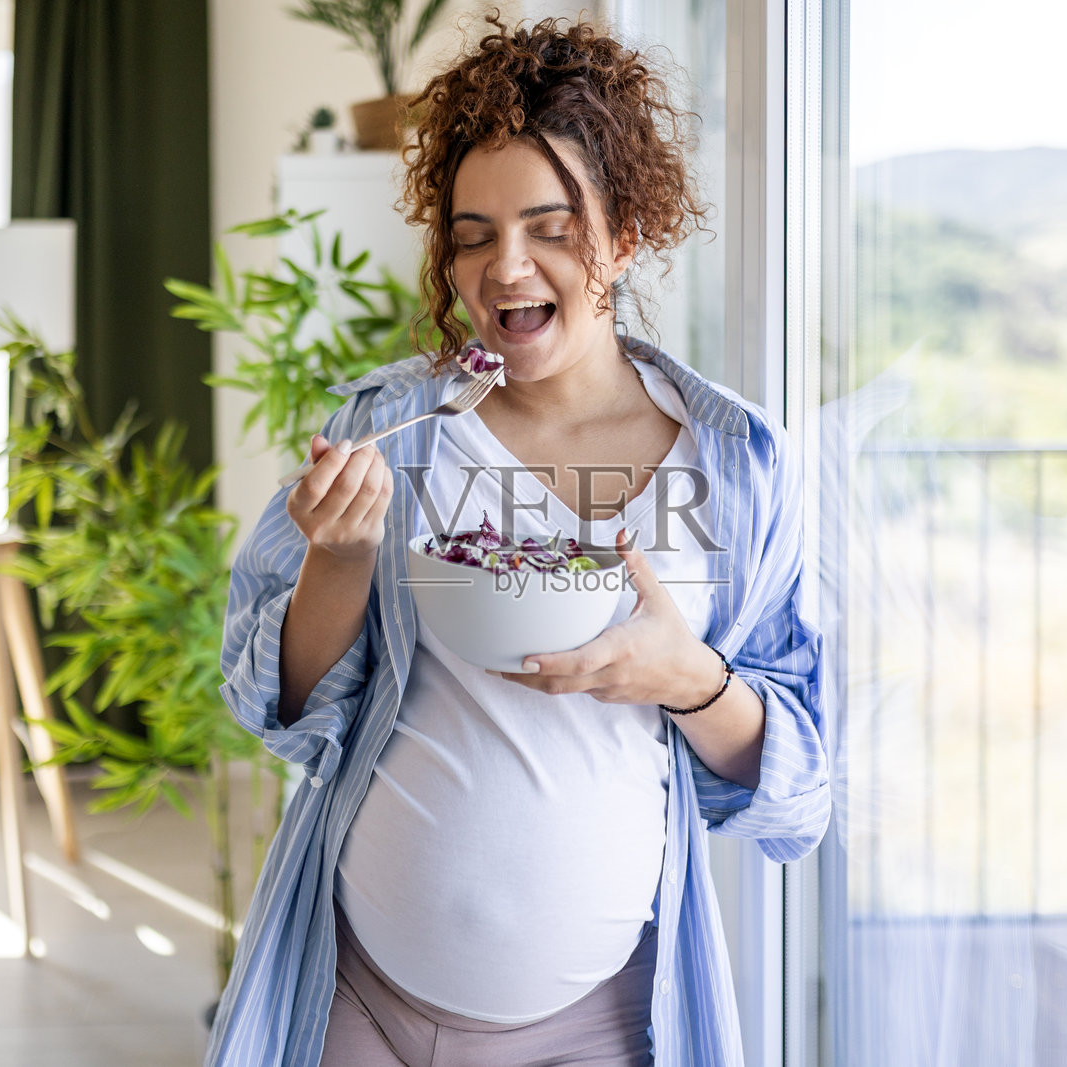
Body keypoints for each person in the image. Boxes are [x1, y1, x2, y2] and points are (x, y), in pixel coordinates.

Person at [205, 17, 831, 1067]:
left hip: (594, 1024)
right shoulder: (390, 432)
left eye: (551, 226)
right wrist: (341, 558)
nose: (505, 267)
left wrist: (690, 680)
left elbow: (796, 791)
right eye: (471, 232)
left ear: (625, 232)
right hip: (354, 995)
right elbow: (284, 710)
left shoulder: (736, 463)